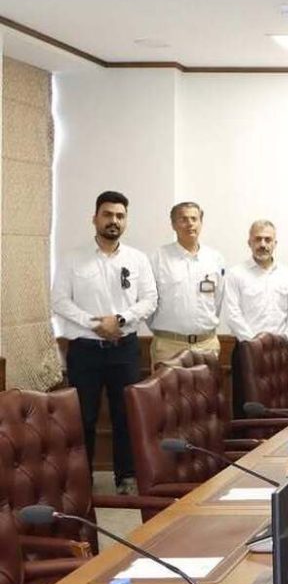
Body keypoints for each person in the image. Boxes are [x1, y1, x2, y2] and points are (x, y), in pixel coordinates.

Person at [51, 190, 157, 495]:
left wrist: (119, 320)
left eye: (120, 216)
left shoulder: (137, 259)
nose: (114, 221)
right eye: (108, 214)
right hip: (85, 350)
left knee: (127, 415)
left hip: (125, 349)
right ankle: (81, 480)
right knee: (83, 416)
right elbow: (59, 300)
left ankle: (126, 477)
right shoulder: (72, 258)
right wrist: (95, 324)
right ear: (95, 218)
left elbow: (149, 299)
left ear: (126, 221)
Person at [222, 220, 288, 409]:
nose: (263, 244)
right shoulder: (236, 274)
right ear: (249, 242)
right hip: (246, 351)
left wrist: (284, 341)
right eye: (258, 239)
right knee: (249, 408)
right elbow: (233, 314)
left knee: (283, 407)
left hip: (280, 353)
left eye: (268, 239)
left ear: (275, 243)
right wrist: (254, 345)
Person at [149, 201, 225, 365]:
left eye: (194, 219)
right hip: (169, 345)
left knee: (208, 384)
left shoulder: (215, 258)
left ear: (200, 223)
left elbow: (218, 301)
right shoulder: (158, 258)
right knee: (166, 384)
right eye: (183, 219)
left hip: (207, 344)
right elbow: (149, 302)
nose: (190, 223)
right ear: (173, 225)